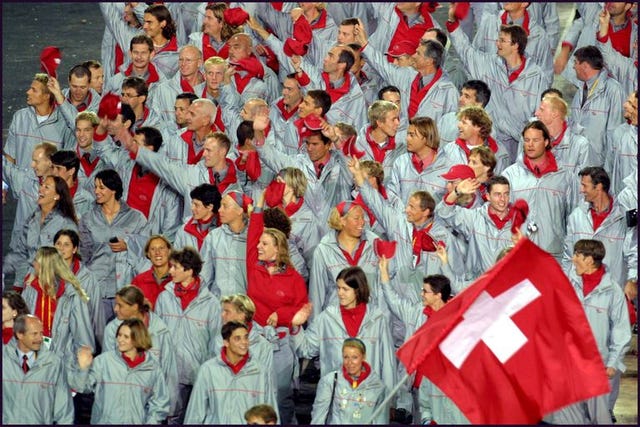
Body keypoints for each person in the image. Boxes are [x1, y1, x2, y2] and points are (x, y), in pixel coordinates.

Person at [446, 9, 551, 162]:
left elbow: (538, 117)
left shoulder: (536, 77)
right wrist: (452, 24)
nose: (497, 43)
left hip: (522, 145)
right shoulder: (490, 64)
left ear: (515, 46)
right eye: (498, 39)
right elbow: (466, 51)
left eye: (502, 40)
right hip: (493, 141)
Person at [549, 240, 631, 424]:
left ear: (590, 260)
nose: (573, 258)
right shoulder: (566, 283)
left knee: (600, 418)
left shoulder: (613, 292)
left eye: (577, 255)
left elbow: (621, 330)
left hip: (598, 368)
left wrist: (613, 362)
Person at [246, 190, 310, 423]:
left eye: (265, 244)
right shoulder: (254, 266)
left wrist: (281, 315)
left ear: (278, 248)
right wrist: (260, 204)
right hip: (255, 340)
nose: (259, 247)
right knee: (255, 394)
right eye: (260, 243)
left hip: (282, 343)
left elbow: (303, 310)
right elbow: (253, 232)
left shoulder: (293, 277)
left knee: (281, 396)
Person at [292, 266, 396, 390]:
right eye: (338, 288)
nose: (339, 293)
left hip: (370, 398)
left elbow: (388, 364)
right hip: (336, 397)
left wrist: (390, 400)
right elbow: (305, 349)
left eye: (345, 289)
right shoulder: (327, 318)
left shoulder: (378, 319)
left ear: (358, 290)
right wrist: (295, 327)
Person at [154, 247, 220, 424]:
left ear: (189, 270)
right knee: (170, 418)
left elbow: (216, 342)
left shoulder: (211, 304)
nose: (170, 271)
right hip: (170, 373)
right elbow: (155, 337)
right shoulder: (164, 298)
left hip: (198, 374)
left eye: (175, 267)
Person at [79, 169, 149, 321]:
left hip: (124, 290)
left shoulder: (136, 218)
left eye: (101, 187)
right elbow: (83, 255)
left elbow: (148, 249)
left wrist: (129, 245)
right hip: (95, 289)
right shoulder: (88, 218)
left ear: (114, 189)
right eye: (95, 187)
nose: (96, 191)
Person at [70, 318, 170, 424]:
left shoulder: (153, 369)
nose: (120, 340)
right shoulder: (104, 362)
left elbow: (159, 404)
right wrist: (83, 369)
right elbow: (82, 387)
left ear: (138, 339)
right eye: (119, 335)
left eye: (126, 336)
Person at [103, 285, 179, 422]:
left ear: (135, 306)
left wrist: (169, 411)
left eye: (120, 305)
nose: (115, 309)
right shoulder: (111, 330)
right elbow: (107, 371)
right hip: (119, 407)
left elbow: (169, 372)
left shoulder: (160, 331)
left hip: (151, 408)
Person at [93, 125, 182, 241]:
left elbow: (170, 232)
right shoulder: (126, 163)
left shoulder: (167, 186)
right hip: (117, 235)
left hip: (144, 246)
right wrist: (101, 128)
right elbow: (105, 150)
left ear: (149, 149)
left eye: (136, 143)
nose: (131, 147)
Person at [357, 27, 459, 124]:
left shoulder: (449, 92)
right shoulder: (407, 75)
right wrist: (365, 44)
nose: (413, 56)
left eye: (418, 54)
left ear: (429, 61)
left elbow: (451, 128)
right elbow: (382, 65)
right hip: (402, 138)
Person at [502, 121, 572, 260]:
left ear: (546, 142)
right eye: (527, 140)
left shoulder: (564, 176)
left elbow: (571, 216)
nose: (530, 144)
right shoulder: (510, 175)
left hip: (552, 253)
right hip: (519, 251)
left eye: (535, 140)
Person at [184, 321, 279, 424]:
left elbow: (271, 412)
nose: (244, 342)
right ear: (226, 342)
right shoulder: (208, 370)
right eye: (237, 338)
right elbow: (196, 412)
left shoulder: (260, 371)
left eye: (246, 337)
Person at [437, 175, 526, 283]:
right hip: (478, 286)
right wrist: (456, 191)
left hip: (507, 287)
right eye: (497, 194)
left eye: (506, 194)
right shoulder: (474, 218)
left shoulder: (520, 223)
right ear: (488, 196)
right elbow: (443, 212)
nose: (503, 199)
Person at [563, 167, 636, 290]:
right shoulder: (576, 216)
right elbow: (568, 255)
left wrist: (632, 280)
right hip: (581, 292)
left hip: (612, 292)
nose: (581, 190)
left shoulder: (623, 217)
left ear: (599, 187)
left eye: (585, 186)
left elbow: (632, 252)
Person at [309, 201, 382, 320]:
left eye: (363, 218)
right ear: (342, 221)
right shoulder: (324, 250)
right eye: (356, 218)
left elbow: (382, 288)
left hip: (368, 321)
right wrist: (315, 332)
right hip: (336, 323)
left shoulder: (375, 244)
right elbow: (316, 295)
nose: (362, 222)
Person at [22, 247, 94, 361]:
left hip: (63, 358)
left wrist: (84, 359)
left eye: (36, 260)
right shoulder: (30, 289)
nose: (33, 263)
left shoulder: (71, 294)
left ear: (43, 265)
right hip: (34, 356)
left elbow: (82, 330)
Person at [2, 314, 74, 424]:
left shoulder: (54, 363)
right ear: (20, 334)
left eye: (41, 333)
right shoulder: (4, 360)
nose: (40, 338)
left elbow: (64, 410)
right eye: (34, 334)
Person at [12, 175, 78, 288]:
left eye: (46, 187)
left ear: (57, 196)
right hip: (29, 284)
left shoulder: (65, 224)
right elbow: (22, 253)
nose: (40, 189)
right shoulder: (32, 220)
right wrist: (19, 282)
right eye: (41, 185)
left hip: (53, 285)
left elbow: (69, 259)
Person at [568, 45, 625, 166]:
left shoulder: (613, 90)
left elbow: (614, 133)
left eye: (575, 62)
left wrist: (608, 169)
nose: (573, 66)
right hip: (579, 163)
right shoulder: (580, 90)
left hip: (599, 166)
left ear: (585, 66)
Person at [310, 338, 389, 424]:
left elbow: (381, 421)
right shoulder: (330, 381)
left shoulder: (378, 387)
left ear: (363, 357)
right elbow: (318, 418)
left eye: (355, 357)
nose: (350, 362)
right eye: (346, 357)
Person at [4, 73, 73, 169]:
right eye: (30, 88)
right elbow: (10, 157)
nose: (28, 92)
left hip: (49, 183)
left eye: (34, 90)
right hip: (21, 183)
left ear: (46, 96)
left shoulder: (63, 123)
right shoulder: (20, 117)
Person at [53, 228, 105, 352]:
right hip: (51, 336)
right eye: (58, 244)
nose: (61, 248)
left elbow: (96, 313)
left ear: (74, 249)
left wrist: (102, 347)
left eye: (66, 245)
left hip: (77, 339)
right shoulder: (46, 275)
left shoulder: (87, 278)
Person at [386, 116, 451, 204]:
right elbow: (392, 195)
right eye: (407, 134)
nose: (407, 139)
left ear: (426, 137)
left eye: (412, 135)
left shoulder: (447, 166)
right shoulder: (401, 162)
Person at [200, 191, 250, 296]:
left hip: (245, 308)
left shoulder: (254, 238)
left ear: (240, 211)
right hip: (218, 307)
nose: (219, 210)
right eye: (220, 206)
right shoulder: (213, 238)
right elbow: (204, 277)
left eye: (225, 206)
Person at [442, 105, 510, 175]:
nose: (459, 125)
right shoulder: (449, 150)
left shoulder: (500, 154)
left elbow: (500, 182)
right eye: (460, 122)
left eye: (464, 123)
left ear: (478, 127)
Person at [147, 45, 204, 124]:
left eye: (188, 60)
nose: (183, 64)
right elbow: (153, 122)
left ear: (199, 63)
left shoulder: (209, 88)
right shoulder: (162, 89)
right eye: (181, 60)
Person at [47, 64, 102, 131]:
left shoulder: (99, 104)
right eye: (74, 86)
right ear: (69, 82)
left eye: (82, 87)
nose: (78, 91)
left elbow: (80, 129)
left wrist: (61, 100)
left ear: (89, 84)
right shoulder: (57, 95)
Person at [438, 79, 492, 146]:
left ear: (479, 104)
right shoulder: (446, 119)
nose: (460, 99)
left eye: (467, 97)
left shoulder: (487, 131)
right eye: (461, 94)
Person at [606, 90, 638, 194]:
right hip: (623, 201)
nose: (625, 105)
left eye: (631, 104)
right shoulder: (624, 135)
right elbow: (614, 170)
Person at [173, 183, 221, 251]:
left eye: (196, 205)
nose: (192, 208)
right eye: (192, 203)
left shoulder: (222, 230)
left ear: (210, 207)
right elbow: (175, 259)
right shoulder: (183, 230)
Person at [50, 150, 95, 219]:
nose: (54, 172)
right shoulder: (45, 192)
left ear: (71, 171)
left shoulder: (86, 200)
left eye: (58, 168)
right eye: (52, 167)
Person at [131, 235, 173, 308]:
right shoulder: (138, 281)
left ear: (169, 251)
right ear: (148, 254)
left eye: (161, 248)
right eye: (153, 249)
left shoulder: (179, 278)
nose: (157, 252)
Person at [143, 4, 179, 78]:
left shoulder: (177, 51)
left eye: (149, 22)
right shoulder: (138, 44)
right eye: (144, 22)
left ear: (163, 23)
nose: (144, 26)